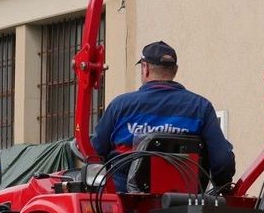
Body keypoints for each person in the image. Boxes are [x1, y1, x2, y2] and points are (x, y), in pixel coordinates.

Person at [92, 40, 235, 193]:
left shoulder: (120, 106)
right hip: (184, 206)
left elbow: (94, 152)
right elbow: (223, 161)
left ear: (145, 68)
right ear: (175, 70)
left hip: (125, 204)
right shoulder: (201, 107)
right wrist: (220, 189)